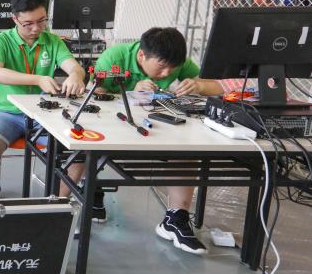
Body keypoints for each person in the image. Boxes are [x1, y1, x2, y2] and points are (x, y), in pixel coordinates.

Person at [93, 27, 223, 252]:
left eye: (172, 69)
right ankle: (90, 188)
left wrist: (199, 86)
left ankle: (175, 218)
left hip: (154, 124)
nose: (167, 73)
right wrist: (131, 90)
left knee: (186, 149)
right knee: (84, 146)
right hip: (113, 125)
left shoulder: (176, 62)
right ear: (141, 55)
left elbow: (217, 86)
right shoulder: (114, 57)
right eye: (161, 67)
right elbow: (95, 93)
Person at [0, 0, 86, 200]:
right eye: (28, 23)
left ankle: (58, 203)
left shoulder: (53, 41)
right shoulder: (0, 40)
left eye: (42, 21)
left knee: (78, 155)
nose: (36, 28)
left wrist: (76, 76)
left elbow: (74, 67)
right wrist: (37, 79)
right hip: (6, 112)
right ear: (15, 18)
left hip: (45, 113)